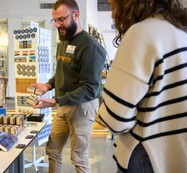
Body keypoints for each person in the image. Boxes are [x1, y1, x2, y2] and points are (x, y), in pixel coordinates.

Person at [98, 0, 187, 173]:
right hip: (175, 153)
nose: (112, 14)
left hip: (146, 155)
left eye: (112, 5)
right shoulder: (180, 32)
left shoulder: (142, 33)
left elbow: (115, 119)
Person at [31, 0, 106, 172]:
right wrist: (48, 86)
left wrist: (56, 100)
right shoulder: (63, 41)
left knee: (79, 158)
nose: (57, 25)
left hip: (82, 106)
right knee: (53, 149)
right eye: (55, 20)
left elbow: (89, 88)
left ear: (76, 15)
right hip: (64, 104)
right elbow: (62, 70)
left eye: (61, 19)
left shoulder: (91, 47)